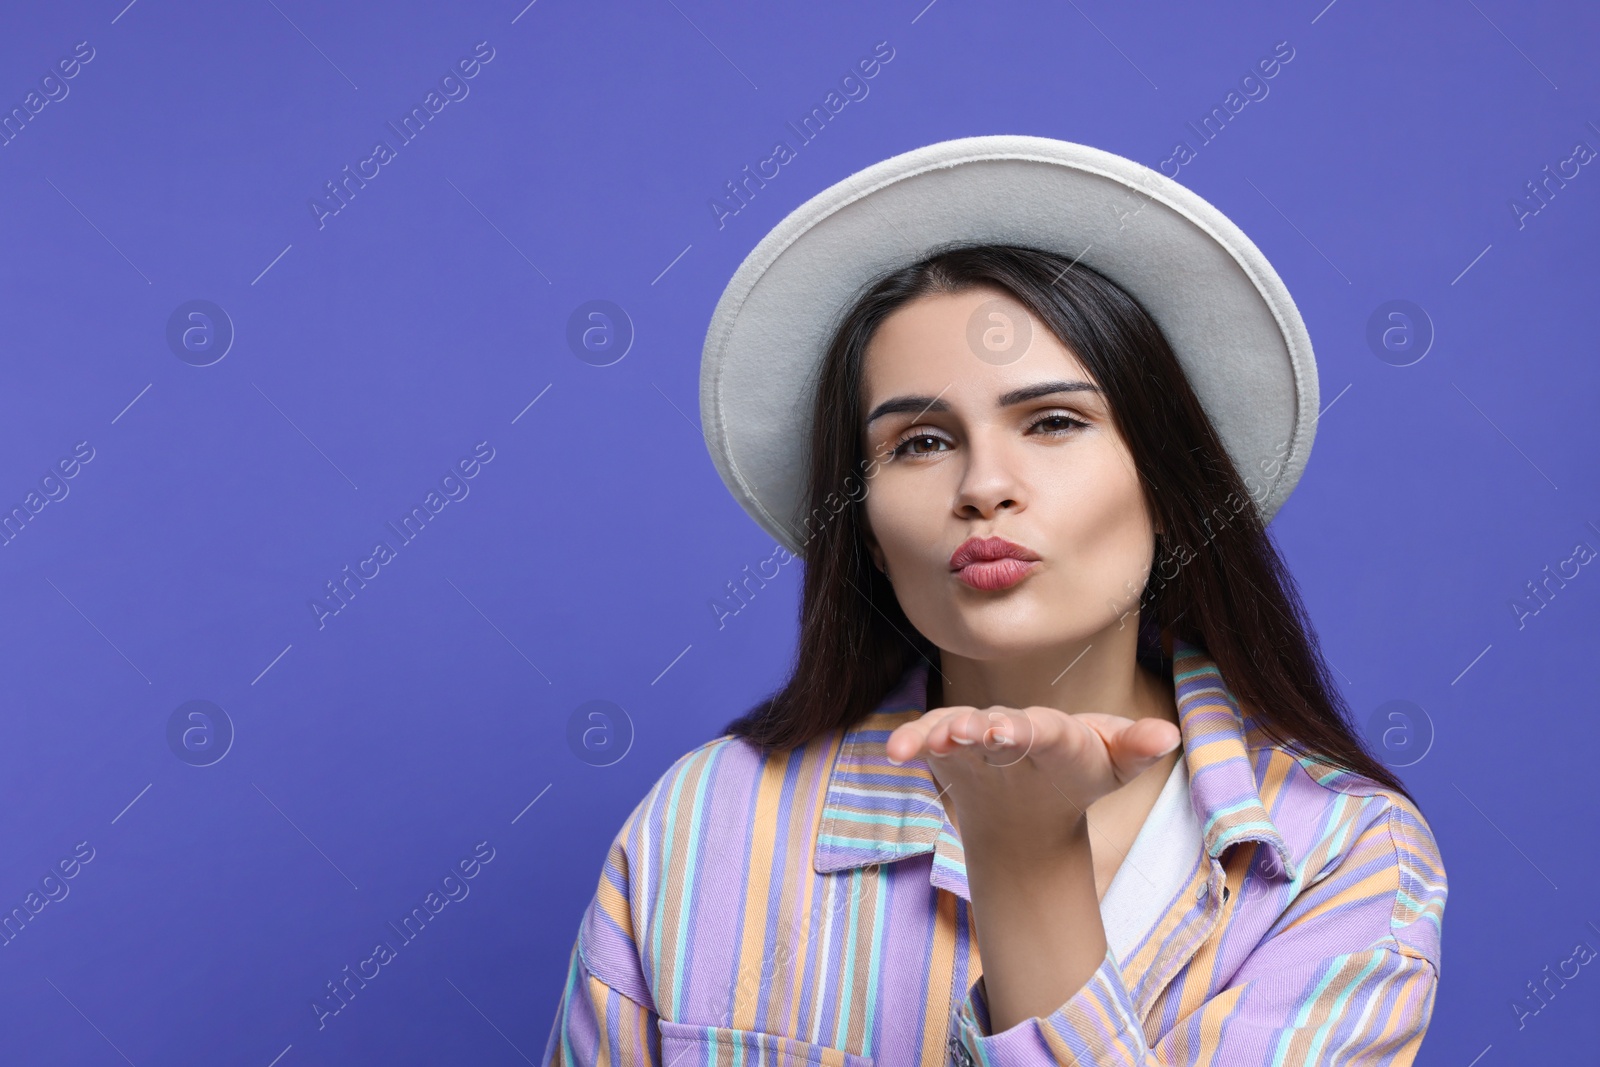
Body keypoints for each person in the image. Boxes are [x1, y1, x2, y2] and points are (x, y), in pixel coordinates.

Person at [540, 137, 1446, 1066]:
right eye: (920, 443)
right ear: (865, 535)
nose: (984, 485)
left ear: (1173, 492)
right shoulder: (704, 823)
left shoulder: (1343, 853)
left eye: (1053, 422)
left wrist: (1026, 857)